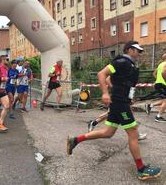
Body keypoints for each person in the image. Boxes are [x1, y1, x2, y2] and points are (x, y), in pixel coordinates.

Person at [67, 41, 161, 180]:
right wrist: (105, 93)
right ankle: (142, 170)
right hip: (120, 103)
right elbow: (102, 74)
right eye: (137, 50)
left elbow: (111, 79)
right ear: (129, 50)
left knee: (108, 132)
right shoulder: (121, 61)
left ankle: (75, 140)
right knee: (133, 133)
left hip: (121, 102)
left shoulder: (130, 65)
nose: (139, 53)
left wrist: (119, 91)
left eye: (140, 51)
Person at [145, 53, 166, 122]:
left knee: (164, 100)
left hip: (158, 84)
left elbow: (154, 73)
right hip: (163, 84)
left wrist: (158, 80)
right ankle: (158, 117)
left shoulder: (160, 64)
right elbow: (163, 72)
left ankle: (151, 105)